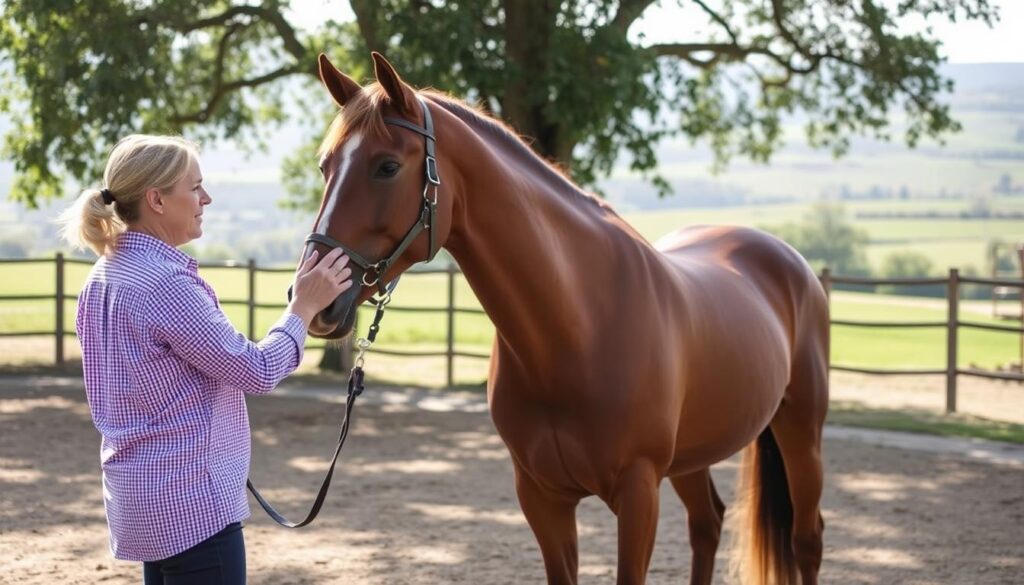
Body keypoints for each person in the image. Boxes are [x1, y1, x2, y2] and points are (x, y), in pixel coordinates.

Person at [56, 134, 351, 584]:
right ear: (156, 199)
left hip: (141, 502)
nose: (205, 198)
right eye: (194, 187)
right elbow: (257, 370)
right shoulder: (166, 284)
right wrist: (302, 309)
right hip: (191, 504)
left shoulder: (102, 277)